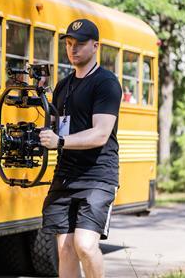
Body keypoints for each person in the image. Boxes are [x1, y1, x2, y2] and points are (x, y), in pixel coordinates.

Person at [39, 19, 122, 278]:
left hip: (98, 177)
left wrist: (60, 142)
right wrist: (38, 97)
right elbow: (57, 125)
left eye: (80, 44)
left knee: (85, 246)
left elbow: (100, 133)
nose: (73, 50)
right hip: (66, 175)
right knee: (65, 250)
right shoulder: (64, 86)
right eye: (69, 44)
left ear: (95, 46)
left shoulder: (106, 83)